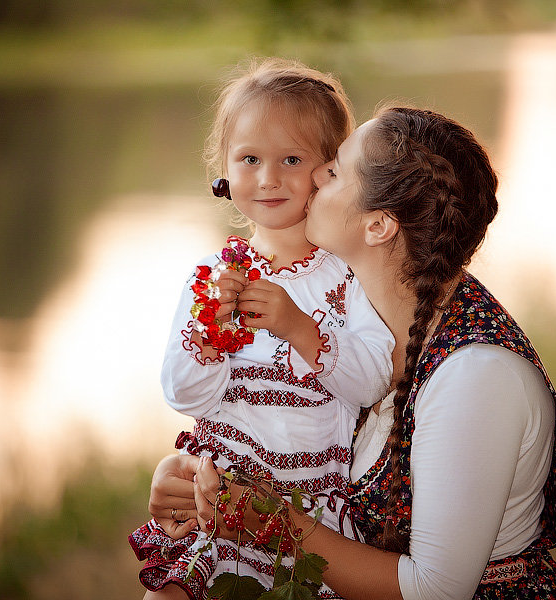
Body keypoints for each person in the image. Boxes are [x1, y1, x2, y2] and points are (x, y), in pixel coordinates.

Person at [150, 106, 556, 599]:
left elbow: (436, 591)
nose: (313, 174)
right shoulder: (354, 315)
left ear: (378, 226)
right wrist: (193, 475)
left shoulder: (477, 377)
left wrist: (269, 521)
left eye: (333, 170)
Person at [129, 58, 395, 599]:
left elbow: (371, 382)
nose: (268, 178)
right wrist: (209, 340)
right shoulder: (211, 278)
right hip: (217, 499)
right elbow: (182, 395)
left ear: (328, 172)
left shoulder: (345, 277)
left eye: (291, 159)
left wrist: (299, 326)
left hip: (305, 516)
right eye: (249, 158)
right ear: (224, 169)